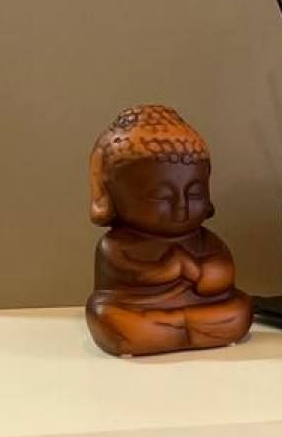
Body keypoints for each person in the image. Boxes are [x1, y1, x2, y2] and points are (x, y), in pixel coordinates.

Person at [85, 105, 253, 356]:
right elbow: (133, 277)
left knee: (240, 309)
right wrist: (168, 269)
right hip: (137, 311)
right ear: (115, 195)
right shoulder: (116, 244)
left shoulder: (205, 240)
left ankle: (173, 330)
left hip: (202, 310)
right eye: (161, 197)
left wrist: (196, 272)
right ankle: (169, 330)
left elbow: (223, 274)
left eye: (194, 194)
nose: (182, 206)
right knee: (108, 317)